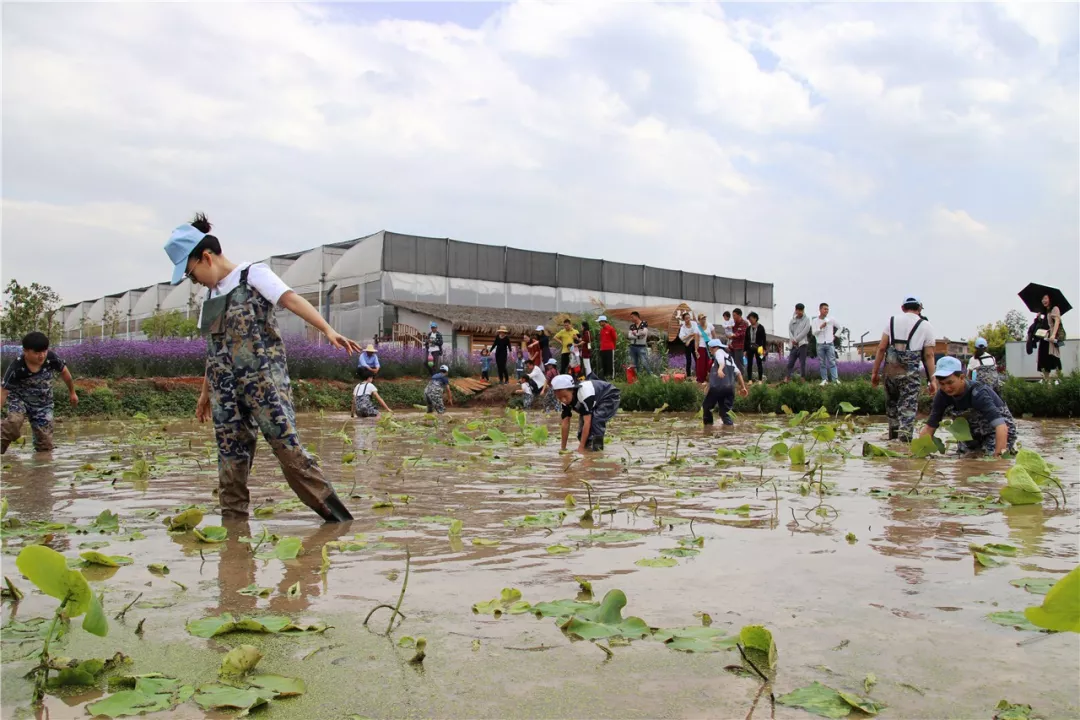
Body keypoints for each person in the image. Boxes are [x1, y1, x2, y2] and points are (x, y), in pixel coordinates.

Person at [165, 213, 357, 522]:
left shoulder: (252, 275)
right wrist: (205, 394)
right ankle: (234, 541)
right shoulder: (210, 298)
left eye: (191, 274)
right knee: (230, 464)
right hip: (225, 395)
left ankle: (339, 522)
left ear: (206, 257)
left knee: (290, 453)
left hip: (264, 387)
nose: (194, 281)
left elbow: (292, 300)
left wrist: (328, 330)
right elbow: (214, 350)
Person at [870, 296, 937, 442]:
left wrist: (875, 373)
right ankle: (903, 445)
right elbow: (929, 355)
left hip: (890, 373)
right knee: (907, 410)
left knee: (892, 408)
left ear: (902, 308)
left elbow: (881, 348)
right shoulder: (925, 325)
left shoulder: (892, 321)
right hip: (910, 376)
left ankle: (892, 441)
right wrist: (933, 379)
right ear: (919, 309)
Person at [920, 357, 1017, 457]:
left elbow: (1001, 427)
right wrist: (919, 454)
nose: (946, 388)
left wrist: (998, 460)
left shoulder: (978, 393)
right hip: (970, 434)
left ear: (962, 378)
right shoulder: (942, 396)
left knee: (990, 460)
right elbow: (930, 427)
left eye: (950, 382)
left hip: (997, 431)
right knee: (965, 460)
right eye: (941, 384)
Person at [1, 331, 78, 454]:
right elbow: (4, 391)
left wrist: (72, 393)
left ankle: (42, 469)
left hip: (43, 404)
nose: (41, 356)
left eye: (44, 351)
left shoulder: (51, 358)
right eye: (37, 353)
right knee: (13, 422)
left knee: (45, 446)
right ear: (25, 351)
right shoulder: (16, 367)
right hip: (20, 400)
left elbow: (65, 373)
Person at [552, 374, 621, 452]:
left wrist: (581, 447)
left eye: (565, 396)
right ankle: (588, 449)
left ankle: (597, 451)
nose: (563, 400)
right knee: (581, 434)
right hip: (594, 400)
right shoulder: (564, 402)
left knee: (596, 420)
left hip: (609, 395)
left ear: (572, 390)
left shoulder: (584, 394)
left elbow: (587, 422)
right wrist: (563, 448)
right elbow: (565, 423)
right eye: (559, 398)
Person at [701, 338, 748, 427]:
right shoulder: (730, 358)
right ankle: (729, 430)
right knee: (725, 412)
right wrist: (743, 387)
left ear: (713, 348)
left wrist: (720, 369)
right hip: (729, 389)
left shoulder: (718, 352)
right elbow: (738, 373)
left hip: (717, 388)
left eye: (709, 348)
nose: (709, 351)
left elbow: (721, 362)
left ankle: (708, 429)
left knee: (707, 407)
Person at [1033, 294, 1064, 384]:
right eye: (1042, 299)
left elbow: (1057, 321)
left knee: (1054, 357)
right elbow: (1043, 325)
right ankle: (1047, 383)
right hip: (1044, 338)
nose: (1044, 300)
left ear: (1050, 299)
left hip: (1051, 338)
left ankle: (1059, 379)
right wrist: (1039, 318)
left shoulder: (1055, 308)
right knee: (1043, 359)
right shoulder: (1045, 311)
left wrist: (1053, 334)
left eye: (1046, 298)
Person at [813, 303, 840, 385]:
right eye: (825, 309)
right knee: (822, 363)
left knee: (832, 362)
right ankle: (824, 380)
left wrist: (835, 336)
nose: (826, 311)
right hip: (820, 344)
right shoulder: (815, 321)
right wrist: (820, 327)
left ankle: (835, 380)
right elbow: (814, 333)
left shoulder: (831, 319)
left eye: (827, 309)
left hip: (829, 343)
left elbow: (840, 327)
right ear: (820, 309)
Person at [785, 303, 811, 381]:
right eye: (798, 310)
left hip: (802, 344)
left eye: (801, 310)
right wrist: (793, 340)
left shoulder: (807, 319)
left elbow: (806, 331)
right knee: (790, 362)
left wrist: (796, 340)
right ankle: (787, 377)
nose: (800, 312)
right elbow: (790, 331)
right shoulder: (792, 320)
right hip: (793, 345)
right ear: (796, 310)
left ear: (803, 310)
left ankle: (802, 378)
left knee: (802, 362)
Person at [745, 312, 767, 384]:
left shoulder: (761, 327)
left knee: (759, 363)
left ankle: (760, 380)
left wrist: (764, 349)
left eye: (751, 319)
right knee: (749, 363)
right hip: (750, 346)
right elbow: (746, 339)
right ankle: (749, 380)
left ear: (755, 318)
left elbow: (764, 339)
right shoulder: (748, 328)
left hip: (759, 347)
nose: (750, 321)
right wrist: (745, 350)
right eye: (749, 319)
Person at [727, 309, 749, 379]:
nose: (733, 317)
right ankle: (733, 378)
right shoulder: (733, 323)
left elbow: (742, 334)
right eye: (733, 315)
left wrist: (733, 335)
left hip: (740, 346)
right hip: (732, 346)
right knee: (731, 362)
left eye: (734, 315)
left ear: (739, 315)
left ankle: (741, 379)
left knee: (739, 363)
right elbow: (730, 332)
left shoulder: (744, 323)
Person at [695, 313, 713, 383]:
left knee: (710, 362)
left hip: (710, 347)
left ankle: (710, 378)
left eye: (704, 318)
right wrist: (696, 350)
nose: (703, 320)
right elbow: (696, 340)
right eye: (702, 319)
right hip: (701, 347)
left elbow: (714, 336)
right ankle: (701, 379)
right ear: (699, 320)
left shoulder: (710, 325)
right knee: (701, 364)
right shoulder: (697, 328)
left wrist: (716, 346)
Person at [678, 312, 697, 378]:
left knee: (697, 358)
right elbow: (682, 338)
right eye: (686, 318)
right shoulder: (683, 327)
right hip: (687, 344)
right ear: (684, 320)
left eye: (689, 318)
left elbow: (696, 334)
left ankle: (698, 374)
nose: (688, 319)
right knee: (688, 360)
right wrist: (690, 335)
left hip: (694, 342)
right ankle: (689, 376)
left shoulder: (694, 324)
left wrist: (689, 339)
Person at [598, 315, 617, 380]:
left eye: (600, 322)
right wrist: (601, 348)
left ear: (603, 321)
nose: (599, 323)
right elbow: (601, 340)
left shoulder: (611, 328)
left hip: (610, 349)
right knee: (604, 363)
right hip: (603, 349)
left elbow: (615, 338)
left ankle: (612, 378)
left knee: (610, 363)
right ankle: (605, 377)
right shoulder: (602, 330)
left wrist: (614, 347)